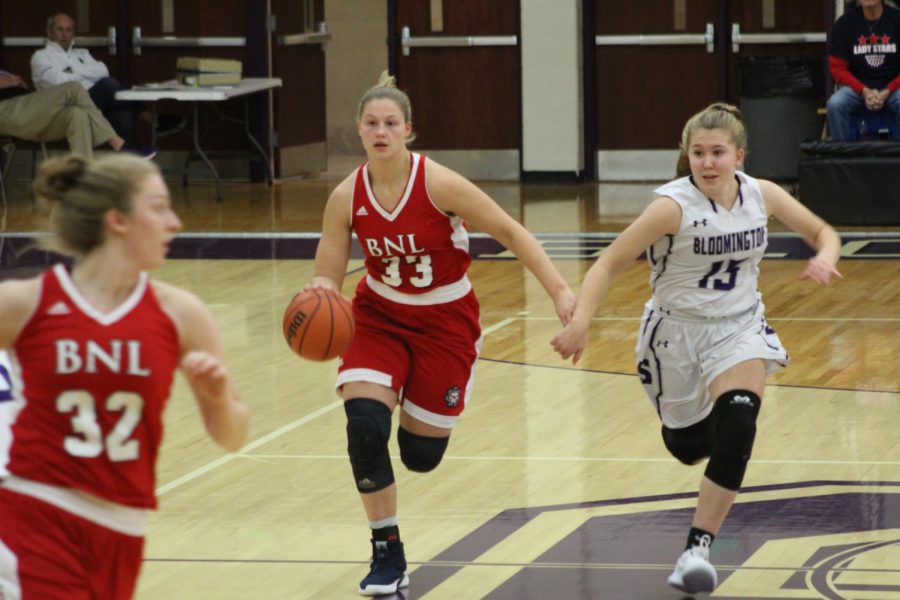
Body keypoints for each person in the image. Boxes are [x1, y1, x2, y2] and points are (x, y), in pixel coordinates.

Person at [551, 103, 842, 595]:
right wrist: (581, 322)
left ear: (739, 155)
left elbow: (822, 231)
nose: (708, 163)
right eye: (699, 153)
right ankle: (709, 435)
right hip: (677, 334)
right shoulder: (671, 206)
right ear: (687, 155)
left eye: (718, 153)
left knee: (740, 421)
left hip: (739, 326)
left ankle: (696, 549)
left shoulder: (761, 193)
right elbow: (607, 263)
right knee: (688, 447)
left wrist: (827, 256)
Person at [307, 71, 575, 596]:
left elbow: (511, 231)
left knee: (419, 457)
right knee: (363, 425)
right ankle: (387, 549)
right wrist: (316, 305)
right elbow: (326, 276)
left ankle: (414, 398)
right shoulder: (345, 197)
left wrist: (561, 292)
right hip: (378, 316)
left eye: (390, 123)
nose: (380, 131)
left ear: (408, 129)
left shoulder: (439, 183)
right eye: (371, 123)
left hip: (445, 322)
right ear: (359, 131)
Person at [0, 153, 249, 599]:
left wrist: (214, 397)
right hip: (36, 513)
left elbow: (233, 437)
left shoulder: (181, 313)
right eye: (158, 207)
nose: (174, 222)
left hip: (123, 528)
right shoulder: (25, 303)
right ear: (117, 220)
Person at [32, 13, 143, 151]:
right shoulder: (41, 57)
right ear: (49, 32)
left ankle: (130, 162)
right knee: (107, 85)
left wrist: (72, 70)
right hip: (65, 106)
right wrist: (87, 73)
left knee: (123, 115)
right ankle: (141, 107)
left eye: (69, 30)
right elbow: (59, 81)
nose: (64, 34)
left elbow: (103, 70)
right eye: (60, 29)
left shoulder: (82, 53)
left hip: (93, 105)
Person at [1, 64, 126, 159]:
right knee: (73, 88)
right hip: (6, 112)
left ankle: (84, 179)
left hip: (25, 111)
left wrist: (17, 83)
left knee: (76, 114)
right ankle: (113, 139)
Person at [826, 0, 900, 140]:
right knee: (835, 104)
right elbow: (837, 68)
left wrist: (888, 90)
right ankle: (841, 156)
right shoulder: (845, 23)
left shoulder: (896, 19)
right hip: (857, 88)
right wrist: (864, 91)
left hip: (894, 87)